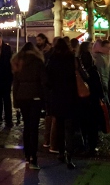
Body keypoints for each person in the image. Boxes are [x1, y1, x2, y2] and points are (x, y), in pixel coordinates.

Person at [12, 42, 47, 170]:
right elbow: (44, 81)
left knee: (26, 126)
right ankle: (33, 157)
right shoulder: (38, 62)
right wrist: (44, 99)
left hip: (22, 96)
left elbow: (15, 83)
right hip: (35, 96)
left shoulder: (18, 62)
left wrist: (15, 100)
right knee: (34, 127)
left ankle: (27, 155)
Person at [46, 38, 78, 169]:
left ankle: (60, 153)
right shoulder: (71, 58)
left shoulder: (53, 59)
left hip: (57, 96)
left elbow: (48, 79)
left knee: (59, 127)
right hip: (70, 96)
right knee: (69, 128)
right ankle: (69, 155)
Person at [78, 41, 104, 153]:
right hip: (92, 99)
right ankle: (92, 145)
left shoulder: (78, 71)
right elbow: (98, 86)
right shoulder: (93, 70)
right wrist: (101, 97)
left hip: (81, 100)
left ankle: (83, 144)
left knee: (83, 123)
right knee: (92, 123)